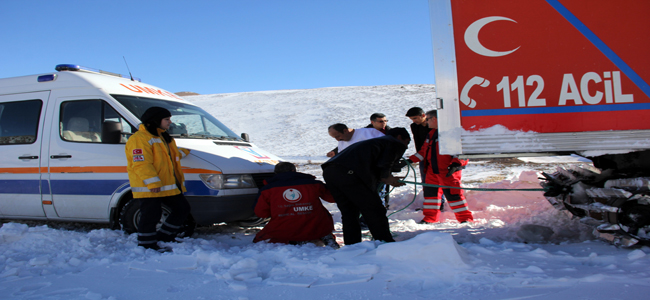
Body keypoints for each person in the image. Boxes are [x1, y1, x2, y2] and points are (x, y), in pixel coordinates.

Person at [321, 128, 411, 245]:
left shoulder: (374, 143)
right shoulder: (394, 143)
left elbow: (377, 164)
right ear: (400, 137)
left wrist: (385, 175)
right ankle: (385, 242)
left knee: (349, 212)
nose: (407, 146)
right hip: (348, 173)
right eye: (407, 142)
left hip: (330, 171)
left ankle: (352, 245)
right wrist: (387, 177)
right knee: (374, 209)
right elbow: (385, 164)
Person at [125, 106, 192, 253]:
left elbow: (169, 157)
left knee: (182, 208)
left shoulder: (163, 137)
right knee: (151, 215)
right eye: (167, 119)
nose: (170, 123)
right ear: (155, 120)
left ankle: (165, 236)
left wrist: (183, 152)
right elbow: (141, 163)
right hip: (151, 186)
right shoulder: (139, 139)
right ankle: (146, 244)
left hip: (168, 185)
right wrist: (152, 182)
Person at [408, 110, 473, 224]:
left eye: (427, 119)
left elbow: (463, 151)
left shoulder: (452, 133)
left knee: (454, 196)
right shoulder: (432, 133)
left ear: (435, 119)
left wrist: (456, 164)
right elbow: (424, 151)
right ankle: (430, 218)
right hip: (432, 171)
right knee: (431, 196)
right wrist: (409, 160)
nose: (426, 122)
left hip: (448, 171)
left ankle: (465, 219)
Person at [253, 162, 339, 248]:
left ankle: (298, 240)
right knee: (321, 224)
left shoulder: (267, 190)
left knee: (260, 239)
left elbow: (261, 213)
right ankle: (325, 236)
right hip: (317, 225)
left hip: (285, 227)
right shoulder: (314, 184)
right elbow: (332, 198)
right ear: (294, 170)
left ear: (276, 173)